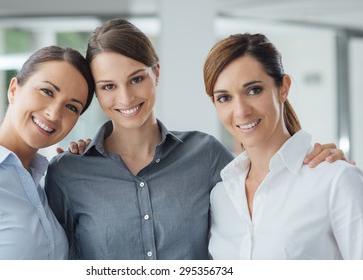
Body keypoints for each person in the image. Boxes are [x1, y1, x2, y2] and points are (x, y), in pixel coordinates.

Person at [45, 18, 348, 260]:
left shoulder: (206, 155)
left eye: (137, 78)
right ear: (96, 92)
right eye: (108, 86)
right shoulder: (69, 172)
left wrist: (322, 165)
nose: (125, 97)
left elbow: (272, 187)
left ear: (157, 73)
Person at [204, 33, 363, 259]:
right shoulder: (221, 197)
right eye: (224, 98)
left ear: (283, 88)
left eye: (253, 90)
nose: (240, 111)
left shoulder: (335, 180)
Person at [0, 46, 94, 260]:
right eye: (47, 91)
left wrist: (85, 165)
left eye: (71, 107)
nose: (54, 113)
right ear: (13, 89)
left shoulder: (41, 185)